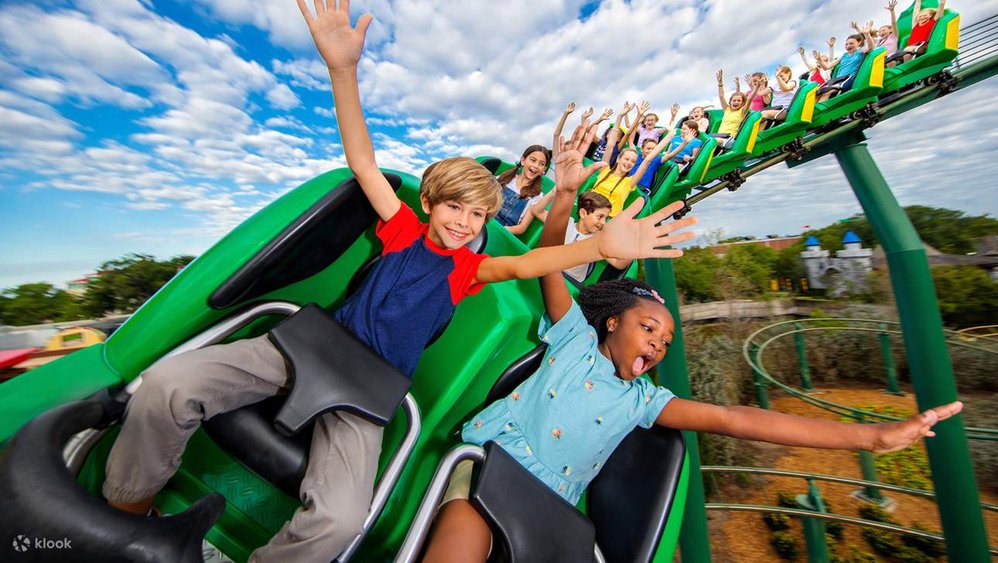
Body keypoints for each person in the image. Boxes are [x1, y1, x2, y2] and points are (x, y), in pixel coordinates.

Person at [102, 4, 689, 562]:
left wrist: (600, 247)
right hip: (308, 347)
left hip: (370, 392)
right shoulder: (403, 228)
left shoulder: (470, 270)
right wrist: (342, 70)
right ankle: (129, 516)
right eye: (454, 207)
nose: (463, 222)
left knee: (340, 517)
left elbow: (526, 266)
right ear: (430, 203)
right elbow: (362, 159)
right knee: (170, 384)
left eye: (477, 215)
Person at [421, 168, 964, 561]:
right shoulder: (573, 340)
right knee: (464, 536)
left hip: (549, 506)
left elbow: (737, 419)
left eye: (666, 340)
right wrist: (564, 192)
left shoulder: (643, 401)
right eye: (649, 328)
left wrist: (870, 439)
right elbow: (548, 258)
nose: (658, 344)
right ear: (612, 323)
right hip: (492, 464)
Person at [562, 192, 630, 283]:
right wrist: (555, 192)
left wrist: (635, 245)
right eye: (600, 217)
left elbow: (619, 263)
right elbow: (538, 211)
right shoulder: (566, 224)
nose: (603, 222)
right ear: (583, 213)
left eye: (605, 218)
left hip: (569, 284)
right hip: (549, 273)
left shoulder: (597, 241)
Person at [493, 145, 551, 235]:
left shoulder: (537, 196)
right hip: (486, 219)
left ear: (544, 170)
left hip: (503, 232)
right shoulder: (505, 178)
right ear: (523, 160)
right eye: (533, 160)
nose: (536, 166)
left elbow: (521, 228)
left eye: (541, 164)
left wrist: (501, 231)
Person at [816, 22, 876, 102]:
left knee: (827, 91)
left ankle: (819, 113)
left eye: (851, 43)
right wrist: (819, 59)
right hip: (836, 80)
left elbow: (871, 46)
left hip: (847, 79)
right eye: (846, 44)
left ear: (859, 43)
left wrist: (867, 34)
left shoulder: (860, 51)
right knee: (817, 93)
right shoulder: (843, 55)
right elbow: (826, 67)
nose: (848, 46)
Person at [710, 69, 760, 149]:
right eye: (734, 100)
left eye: (739, 101)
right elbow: (721, 96)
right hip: (718, 137)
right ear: (730, 102)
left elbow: (750, 99)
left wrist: (756, 88)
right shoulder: (727, 109)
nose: (736, 102)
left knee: (711, 141)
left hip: (729, 139)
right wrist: (720, 84)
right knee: (703, 141)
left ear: (742, 103)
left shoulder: (742, 111)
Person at [893, 0, 946, 64]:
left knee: (907, 50)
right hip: (910, 48)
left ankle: (909, 68)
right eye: (920, 16)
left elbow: (941, 6)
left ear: (930, 16)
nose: (922, 17)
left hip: (921, 46)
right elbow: (915, 11)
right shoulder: (915, 26)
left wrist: (942, 3)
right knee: (891, 57)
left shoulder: (932, 23)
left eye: (924, 15)